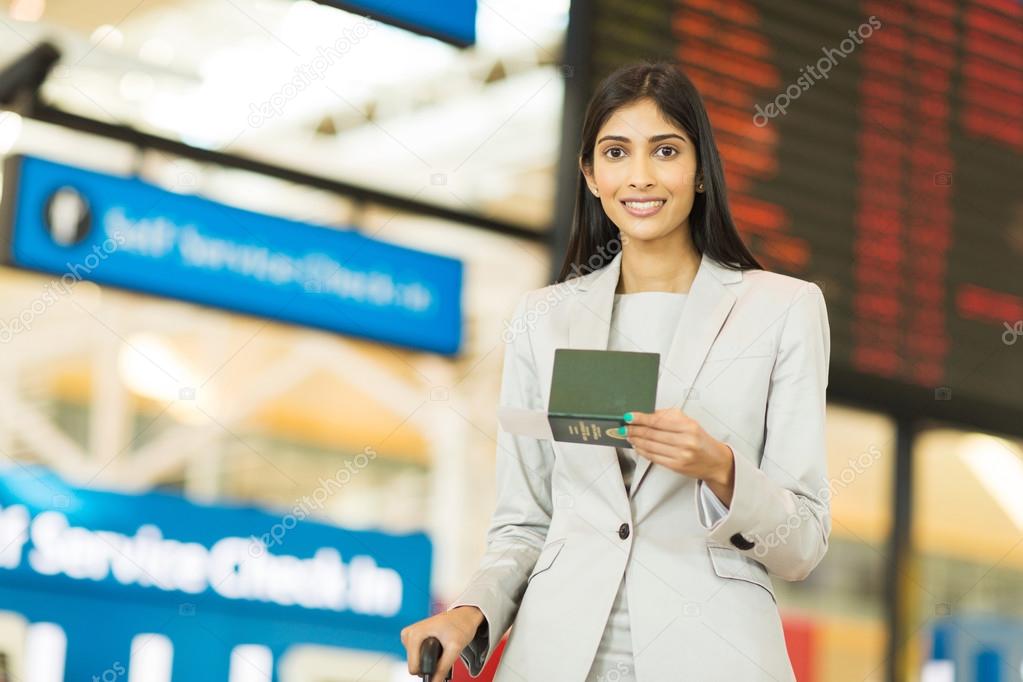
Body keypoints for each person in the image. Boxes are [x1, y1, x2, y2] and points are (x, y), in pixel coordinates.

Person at [400, 59, 831, 682]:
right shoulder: (543, 319)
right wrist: (470, 613)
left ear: (701, 170)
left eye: (665, 150)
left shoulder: (783, 309)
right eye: (616, 152)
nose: (640, 176)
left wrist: (720, 467)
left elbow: (802, 544)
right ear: (590, 174)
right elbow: (524, 526)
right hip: (556, 658)